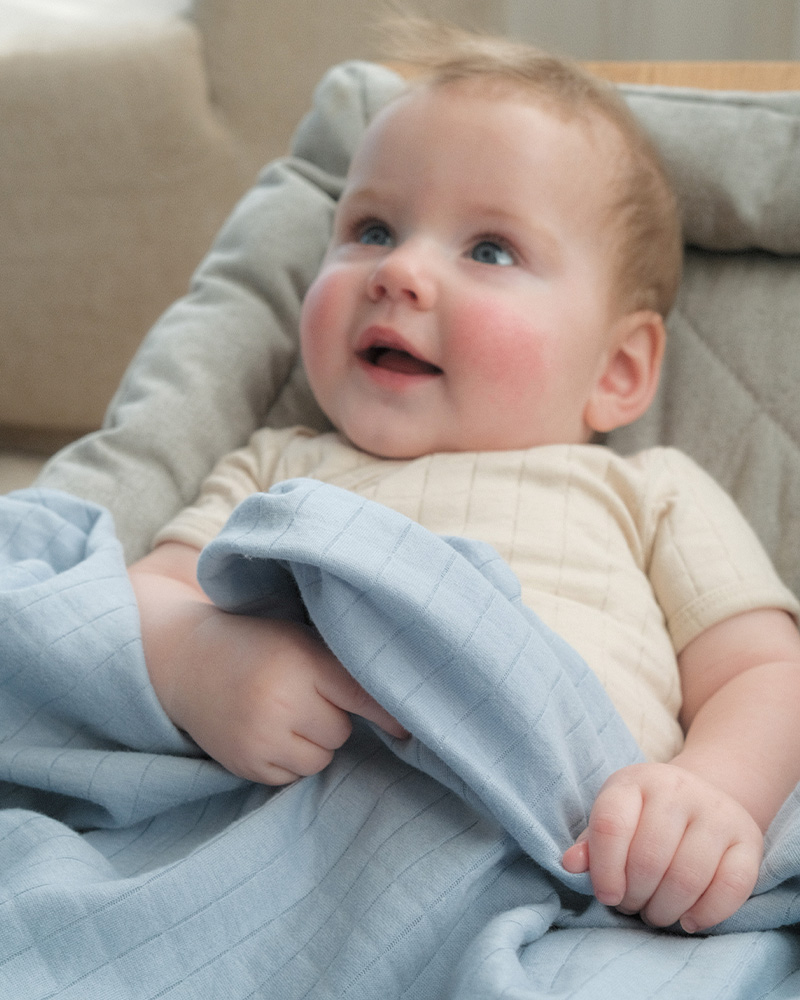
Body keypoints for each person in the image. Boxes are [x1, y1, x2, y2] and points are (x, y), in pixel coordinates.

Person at [129, 22, 800, 936]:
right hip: (284, 863)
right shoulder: (279, 463)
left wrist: (710, 790)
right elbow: (144, 593)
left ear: (617, 370)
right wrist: (196, 661)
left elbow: (765, 671)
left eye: (489, 249)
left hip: (569, 871)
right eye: (371, 230)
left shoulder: (649, 491)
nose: (399, 271)